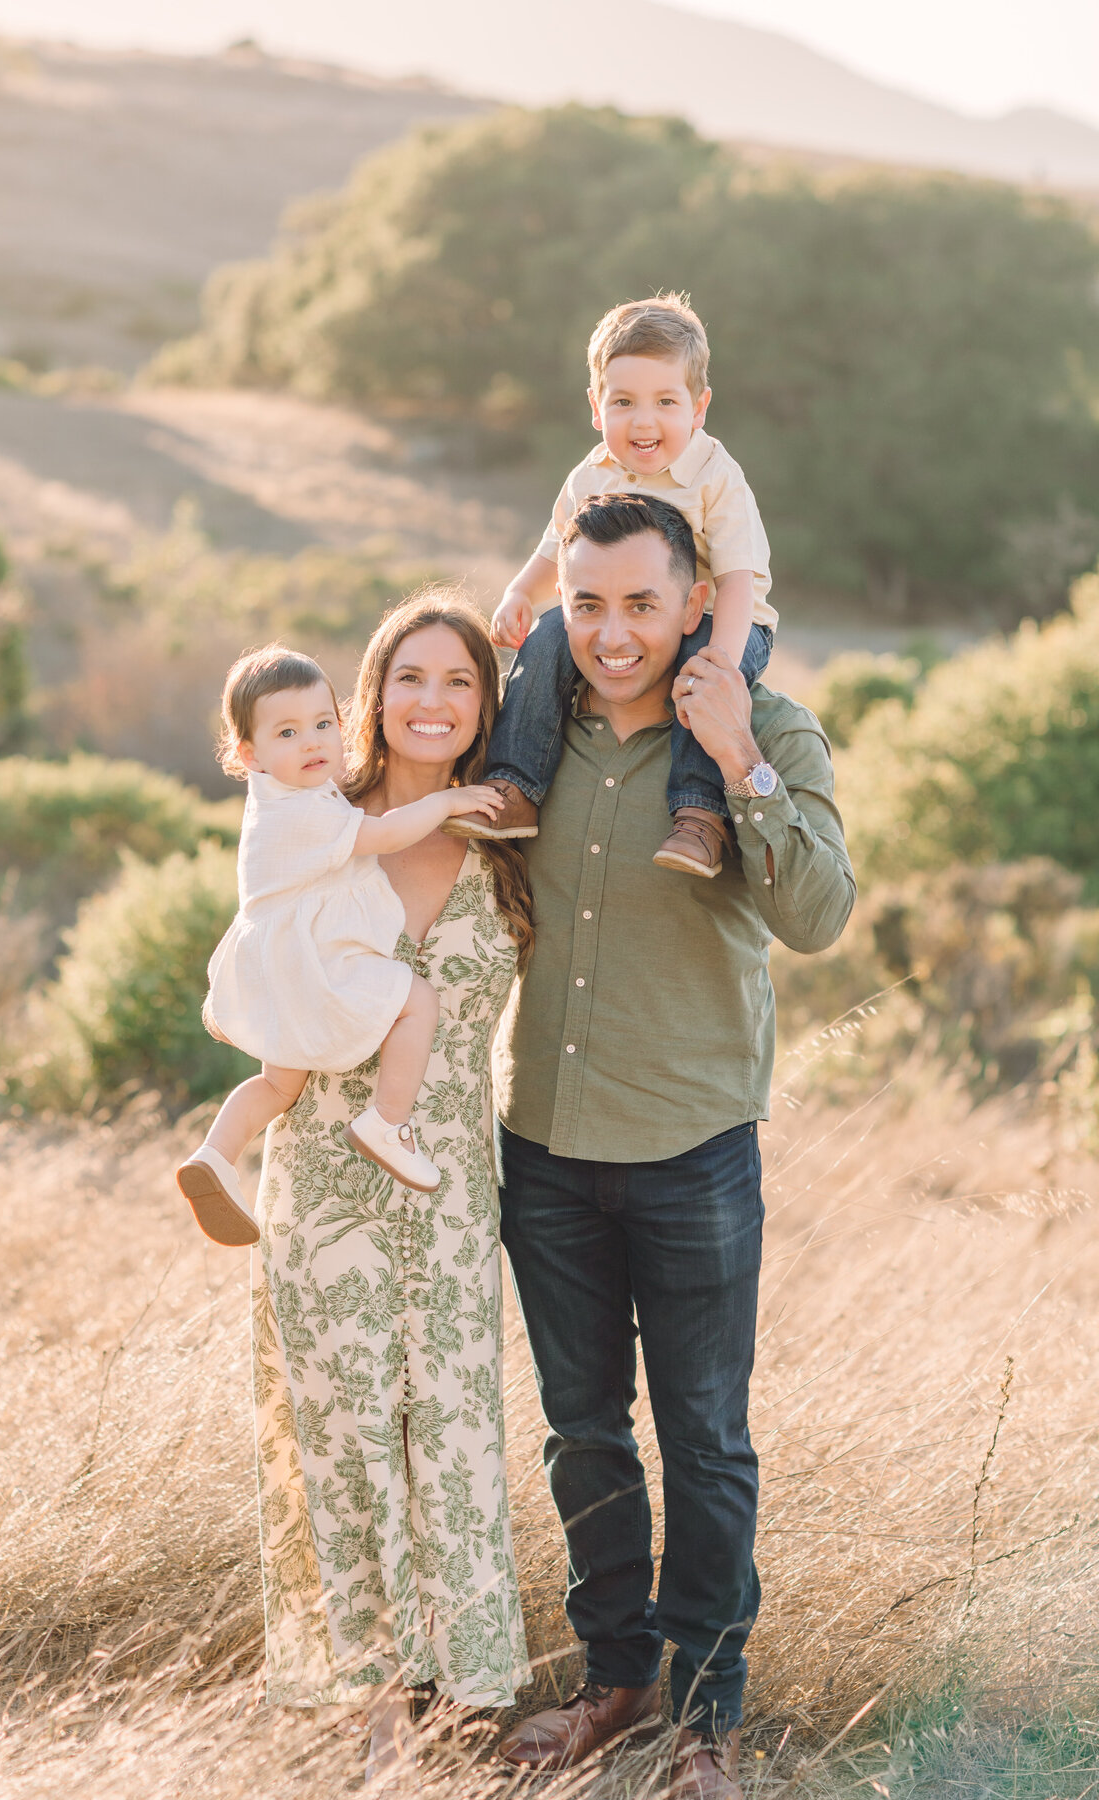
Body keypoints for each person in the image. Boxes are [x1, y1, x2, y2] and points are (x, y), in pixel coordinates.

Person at [491, 494, 855, 1798]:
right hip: (540, 1145)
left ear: (698, 602)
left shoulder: (767, 726)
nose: (611, 631)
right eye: (587, 604)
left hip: (693, 1148)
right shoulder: (533, 734)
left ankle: (710, 1717)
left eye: (641, 602)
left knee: (704, 1436)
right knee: (583, 1431)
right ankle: (615, 1678)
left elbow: (819, 915)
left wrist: (738, 761)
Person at [248, 594, 533, 1780]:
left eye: (459, 682)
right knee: (350, 1434)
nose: (432, 701)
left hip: (450, 1174)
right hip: (320, 1170)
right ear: (374, 692)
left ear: (486, 704)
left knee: (454, 1433)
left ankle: (468, 1703)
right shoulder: (316, 819)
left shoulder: (512, 834)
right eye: (410, 677)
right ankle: (377, 1718)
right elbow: (257, 967)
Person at [175, 643, 506, 1242]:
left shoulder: (288, 794)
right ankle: (388, 1121)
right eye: (289, 732)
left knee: (280, 1084)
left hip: (286, 961)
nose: (313, 743)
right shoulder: (303, 812)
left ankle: (217, 1156)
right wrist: (450, 800)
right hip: (312, 962)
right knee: (416, 1001)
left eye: (324, 724)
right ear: (248, 754)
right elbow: (382, 833)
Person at [445, 293, 777, 880]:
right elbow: (557, 544)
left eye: (665, 402)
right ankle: (515, 786)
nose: (643, 421)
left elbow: (736, 580)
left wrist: (722, 661)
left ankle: (701, 818)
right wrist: (522, 592)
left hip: (726, 619)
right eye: (623, 401)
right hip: (632, 618)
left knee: (700, 676)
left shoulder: (717, 477)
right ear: (597, 407)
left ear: (698, 408)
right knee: (546, 638)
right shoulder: (590, 475)